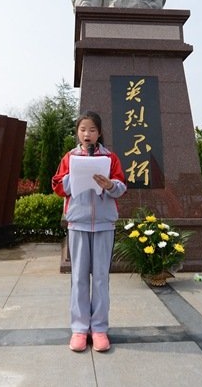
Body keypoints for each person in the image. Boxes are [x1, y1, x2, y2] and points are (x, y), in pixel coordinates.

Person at [52, 111, 127, 353]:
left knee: (102, 279)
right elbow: (57, 186)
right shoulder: (70, 157)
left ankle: (100, 329)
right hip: (78, 222)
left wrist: (110, 185)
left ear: (100, 133)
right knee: (79, 278)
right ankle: (79, 329)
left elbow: (121, 186)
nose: (87, 134)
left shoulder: (110, 158)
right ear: (78, 132)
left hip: (104, 223)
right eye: (83, 129)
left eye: (92, 130)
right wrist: (73, 177)